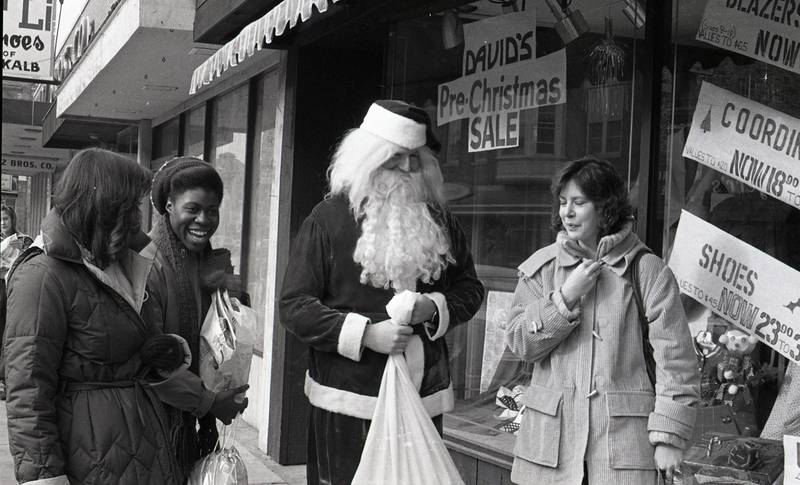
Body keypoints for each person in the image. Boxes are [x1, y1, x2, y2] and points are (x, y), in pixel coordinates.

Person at [279, 99, 485, 485]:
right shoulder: (327, 219)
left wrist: (434, 308)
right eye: (396, 158)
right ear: (368, 157)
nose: (408, 169)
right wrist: (366, 334)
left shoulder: (440, 220)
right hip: (348, 399)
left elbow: (470, 288)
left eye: (416, 158)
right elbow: (294, 306)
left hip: (423, 395)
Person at [503, 156, 700, 485]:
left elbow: (676, 361)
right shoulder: (541, 269)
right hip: (548, 452)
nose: (567, 212)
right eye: (563, 202)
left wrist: (668, 438)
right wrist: (565, 297)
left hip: (621, 450)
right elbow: (520, 343)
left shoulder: (647, 271)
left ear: (605, 207)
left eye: (579, 202)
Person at [4, 148, 182, 484]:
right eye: (129, 208)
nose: (136, 221)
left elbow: (134, 341)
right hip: (89, 457)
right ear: (100, 208)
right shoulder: (42, 276)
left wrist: (167, 349)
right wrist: (44, 476)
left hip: (141, 446)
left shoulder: (123, 259)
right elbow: (28, 390)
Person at [140, 156, 249, 481]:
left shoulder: (209, 266)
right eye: (193, 209)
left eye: (212, 210)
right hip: (157, 430)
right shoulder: (148, 265)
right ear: (169, 206)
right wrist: (211, 402)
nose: (204, 219)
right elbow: (151, 364)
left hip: (193, 429)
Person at [1, 204, 33, 401]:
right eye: (0, 220)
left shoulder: (22, 240)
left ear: (12, 219)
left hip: (13, 289)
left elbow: (25, 261)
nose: (2, 223)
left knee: (9, 331)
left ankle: (6, 378)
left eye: (5, 219)